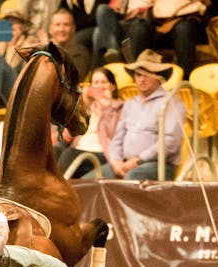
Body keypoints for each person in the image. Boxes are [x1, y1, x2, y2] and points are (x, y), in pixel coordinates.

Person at [100, 49, 185, 180]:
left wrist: (138, 160)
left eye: (147, 74)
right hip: (125, 162)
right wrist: (116, 161)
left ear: (158, 76)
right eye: (138, 75)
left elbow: (170, 142)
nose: (141, 79)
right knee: (91, 179)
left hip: (159, 165)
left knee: (131, 177)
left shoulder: (171, 102)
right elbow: (118, 138)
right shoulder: (130, 104)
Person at [57, 66, 123, 178]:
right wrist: (83, 104)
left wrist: (106, 106)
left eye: (104, 82)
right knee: (56, 151)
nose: (100, 86)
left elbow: (114, 133)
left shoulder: (119, 107)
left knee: (68, 154)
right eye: (96, 83)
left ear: (112, 86)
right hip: (78, 150)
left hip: (101, 153)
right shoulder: (90, 107)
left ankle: (55, 188)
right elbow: (70, 132)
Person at [48, 7, 91, 81]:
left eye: (66, 25)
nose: (61, 29)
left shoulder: (81, 52)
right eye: (57, 25)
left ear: (73, 29)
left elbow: (76, 79)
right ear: (50, 29)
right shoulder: (43, 51)